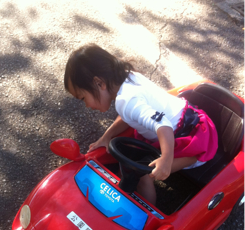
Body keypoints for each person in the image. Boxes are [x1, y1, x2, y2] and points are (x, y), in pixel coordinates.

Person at [64, 44, 218, 205]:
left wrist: (166, 159)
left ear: (99, 83)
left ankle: (144, 219)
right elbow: (128, 116)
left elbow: (163, 124)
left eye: (83, 98)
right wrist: (106, 136)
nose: (87, 105)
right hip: (187, 123)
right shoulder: (128, 78)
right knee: (133, 161)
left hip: (191, 142)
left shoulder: (127, 101)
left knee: (141, 174)